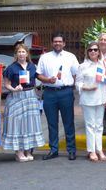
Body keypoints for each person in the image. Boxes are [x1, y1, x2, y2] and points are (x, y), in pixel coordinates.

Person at [37, 32, 79, 161]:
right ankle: (53, 150)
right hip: (49, 93)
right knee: (52, 123)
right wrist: (47, 80)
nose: (57, 43)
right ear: (52, 43)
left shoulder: (70, 57)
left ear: (64, 43)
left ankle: (71, 150)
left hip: (66, 92)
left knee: (69, 122)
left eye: (60, 41)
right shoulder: (45, 57)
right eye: (55, 41)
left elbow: (77, 74)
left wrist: (73, 86)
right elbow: (38, 75)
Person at [2, 44, 45, 162]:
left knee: (30, 123)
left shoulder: (32, 67)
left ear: (27, 54)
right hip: (16, 97)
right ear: (16, 54)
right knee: (17, 124)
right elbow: (6, 83)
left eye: (23, 52)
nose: (21, 54)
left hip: (30, 96)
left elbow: (38, 79)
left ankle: (28, 150)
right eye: (19, 52)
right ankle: (19, 152)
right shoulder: (11, 68)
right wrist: (13, 89)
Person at [76, 42, 106, 162]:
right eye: (90, 50)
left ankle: (99, 149)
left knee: (99, 125)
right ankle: (91, 150)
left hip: (100, 98)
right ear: (87, 52)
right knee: (90, 126)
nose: (93, 52)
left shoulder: (103, 65)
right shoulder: (83, 66)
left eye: (95, 50)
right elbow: (78, 83)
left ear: (99, 52)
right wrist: (86, 87)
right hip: (88, 99)